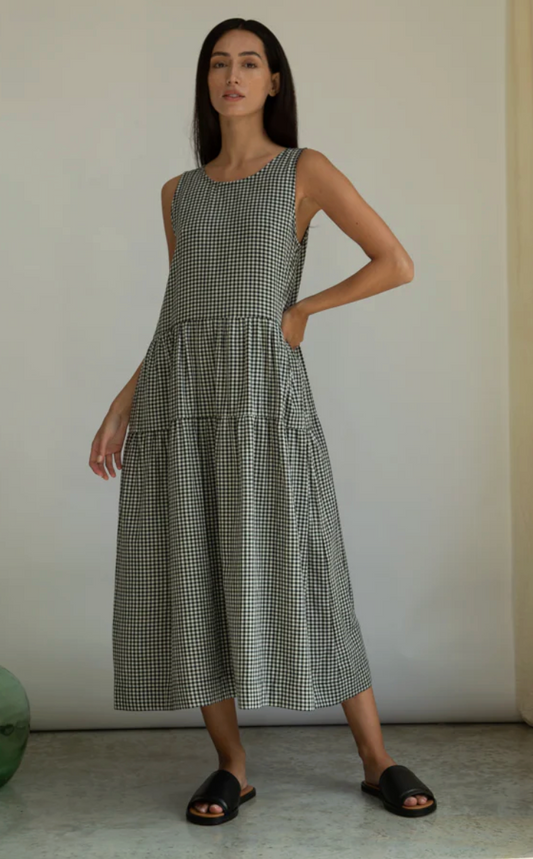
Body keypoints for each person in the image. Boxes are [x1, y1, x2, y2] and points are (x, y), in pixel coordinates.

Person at [89, 18, 437, 826]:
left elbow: (396, 261)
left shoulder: (302, 172)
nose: (232, 75)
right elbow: (181, 313)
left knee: (312, 566)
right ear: (206, 83)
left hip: (263, 401)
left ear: (273, 81)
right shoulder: (180, 193)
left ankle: (375, 756)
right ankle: (232, 766)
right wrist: (121, 403)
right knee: (192, 572)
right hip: (181, 402)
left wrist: (302, 310)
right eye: (219, 63)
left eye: (250, 62)